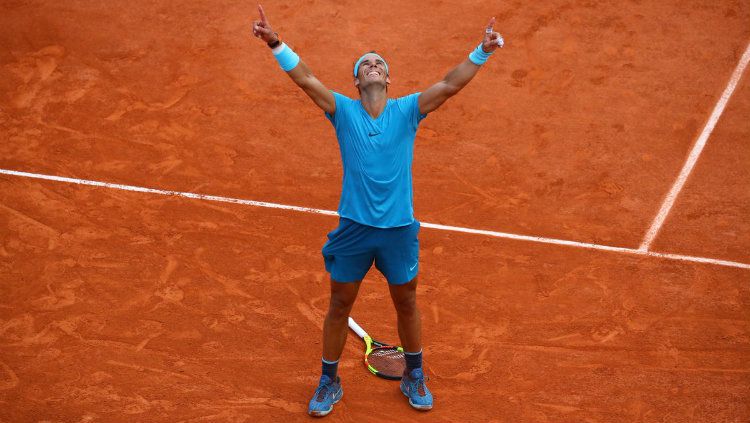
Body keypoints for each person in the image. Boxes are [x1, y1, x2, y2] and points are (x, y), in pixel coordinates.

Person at [251, 4, 503, 417]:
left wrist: (483, 51)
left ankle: (414, 373)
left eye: (379, 63)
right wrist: (274, 41)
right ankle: (328, 381)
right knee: (339, 305)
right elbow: (305, 79)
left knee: (406, 301)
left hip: (398, 229)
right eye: (365, 63)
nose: (373, 65)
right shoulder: (342, 111)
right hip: (354, 229)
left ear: (387, 78)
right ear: (356, 80)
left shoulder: (408, 110)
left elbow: (449, 84)